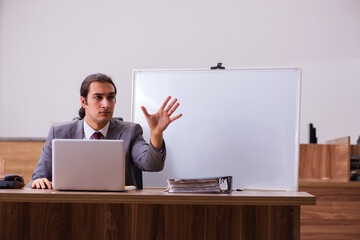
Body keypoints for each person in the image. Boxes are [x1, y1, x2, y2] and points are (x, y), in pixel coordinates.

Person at [28, 73, 182, 189]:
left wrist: (156, 134)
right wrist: (38, 182)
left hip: (118, 210)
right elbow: (36, 179)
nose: (106, 104)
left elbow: (152, 165)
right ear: (84, 101)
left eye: (110, 97)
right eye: (98, 97)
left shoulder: (130, 131)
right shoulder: (59, 133)